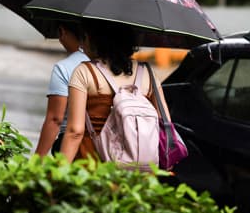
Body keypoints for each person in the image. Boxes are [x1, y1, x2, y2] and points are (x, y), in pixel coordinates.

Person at [59, 19, 169, 162]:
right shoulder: (148, 73)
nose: (82, 45)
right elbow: (164, 123)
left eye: (83, 37)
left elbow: (75, 131)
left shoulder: (84, 72)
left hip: (93, 166)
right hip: (140, 169)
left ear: (93, 39)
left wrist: (59, 169)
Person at [34, 22, 89, 156]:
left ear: (62, 31)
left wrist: (37, 160)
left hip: (71, 147)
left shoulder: (64, 67)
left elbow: (55, 119)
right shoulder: (113, 64)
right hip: (107, 147)